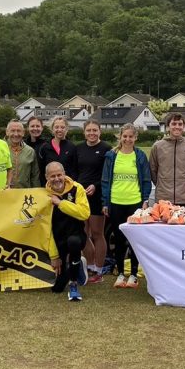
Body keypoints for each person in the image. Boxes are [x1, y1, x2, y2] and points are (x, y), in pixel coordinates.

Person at [101, 123, 151, 289]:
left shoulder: (140, 156)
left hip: (135, 202)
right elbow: (106, 181)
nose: (128, 139)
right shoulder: (111, 155)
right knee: (119, 240)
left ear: (135, 138)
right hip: (116, 202)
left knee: (135, 241)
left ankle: (134, 275)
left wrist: (145, 199)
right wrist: (105, 202)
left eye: (131, 136)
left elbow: (145, 179)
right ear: (120, 137)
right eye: (125, 136)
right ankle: (121, 273)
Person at [45, 162, 90, 301]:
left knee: (74, 242)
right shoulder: (44, 195)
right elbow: (45, 230)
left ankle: (74, 283)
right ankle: (78, 264)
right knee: (57, 289)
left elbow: (84, 213)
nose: (57, 179)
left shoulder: (77, 188)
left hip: (76, 236)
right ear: (46, 177)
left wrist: (60, 203)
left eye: (59, 175)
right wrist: (54, 256)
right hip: (58, 240)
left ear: (64, 174)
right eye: (52, 176)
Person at [75, 120, 111, 283]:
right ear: (84, 132)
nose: (91, 133)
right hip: (81, 196)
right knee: (83, 233)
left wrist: (95, 186)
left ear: (100, 132)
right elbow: (76, 171)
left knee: (97, 233)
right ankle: (89, 267)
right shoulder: (79, 148)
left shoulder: (106, 149)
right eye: (88, 130)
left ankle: (99, 269)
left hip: (97, 195)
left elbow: (107, 174)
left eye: (94, 130)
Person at [149, 112, 185, 211]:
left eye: (180, 124)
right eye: (174, 124)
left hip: (184, 199)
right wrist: (162, 184)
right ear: (168, 127)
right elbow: (153, 170)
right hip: (163, 198)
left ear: (184, 126)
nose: (177, 127)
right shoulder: (157, 147)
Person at [36, 117, 77, 187]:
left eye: (62, 127)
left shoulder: (72, 147)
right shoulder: (44, 147)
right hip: (50, 188)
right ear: (52, 129)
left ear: (66, 129)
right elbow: (41, 171)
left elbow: (75, 170)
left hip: (68, 187)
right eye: (56, 127)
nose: (59, 130)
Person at [6, 120, 39, 189]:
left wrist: (36, 192)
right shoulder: (1, 149)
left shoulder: (30, 151)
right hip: (4, 193)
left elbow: (35, 176)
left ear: (23, 133)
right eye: (13, 131)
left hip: (24, 194)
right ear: (7, 132)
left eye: (19, 131)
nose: (16, 134)